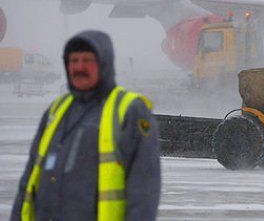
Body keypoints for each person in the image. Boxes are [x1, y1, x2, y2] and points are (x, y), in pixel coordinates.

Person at [11, 30, 161, 221]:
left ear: (103, 63)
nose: (79, 67)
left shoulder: (129, 111)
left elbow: (144, 191)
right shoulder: (56, 111)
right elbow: (29, 181)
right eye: (73, 61)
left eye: (86, 60)